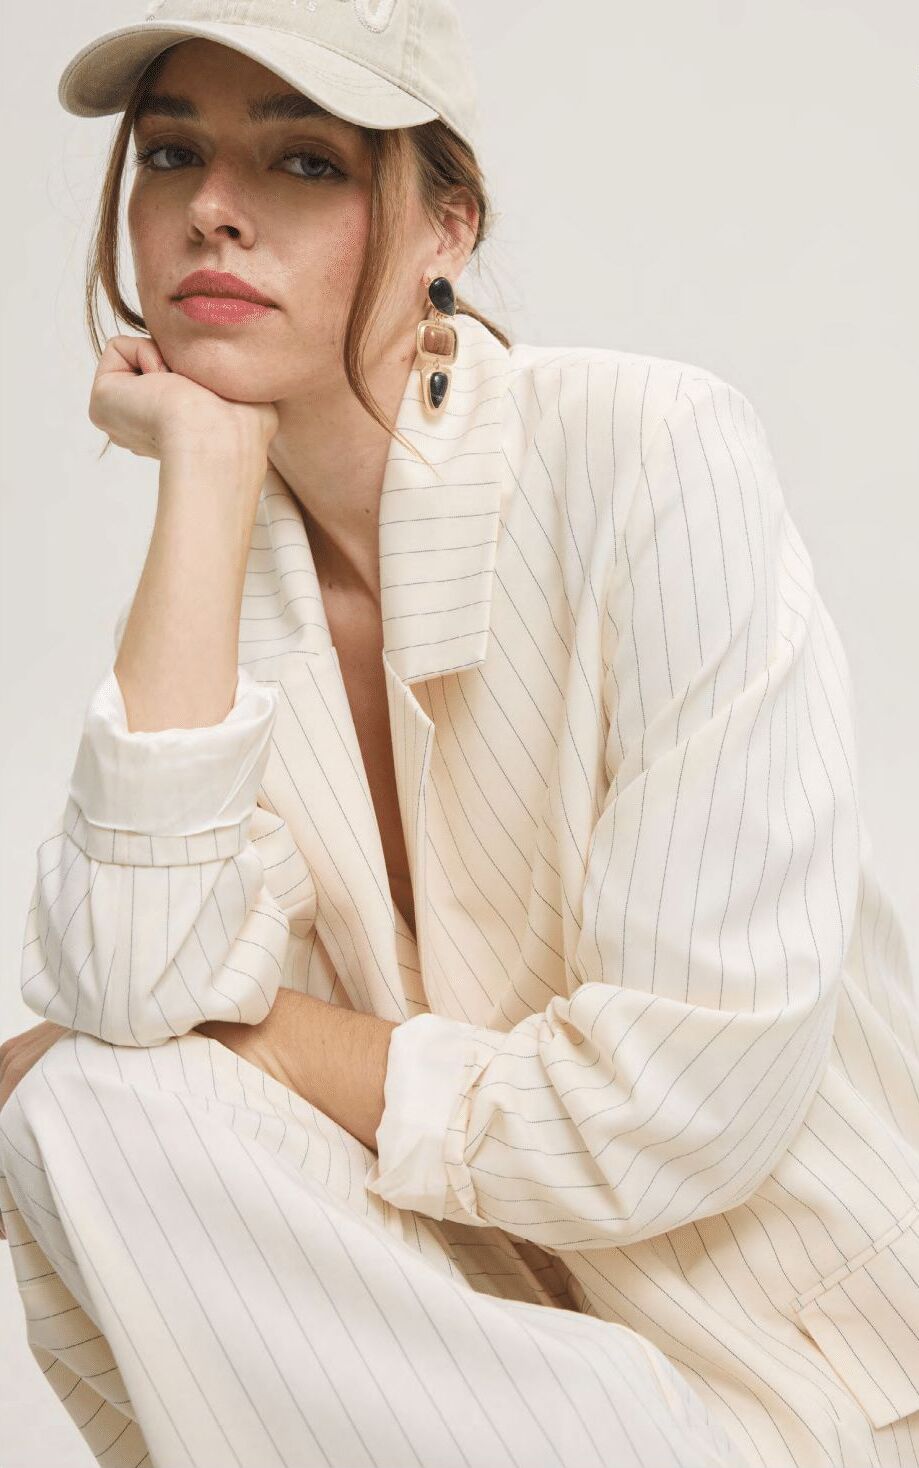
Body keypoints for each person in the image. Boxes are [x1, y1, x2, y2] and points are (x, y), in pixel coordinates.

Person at [1, 1, 917, 1465]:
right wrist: (206, 476)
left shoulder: (651, 457)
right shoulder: (221, 580)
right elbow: (119, 990)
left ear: (449, 226)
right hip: (493, 1386)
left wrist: (258, 1039)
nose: (213, 210)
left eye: (304, 161)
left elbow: (677, 1108)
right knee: (86, 1101)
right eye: (171, 154)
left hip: (815, 1402)